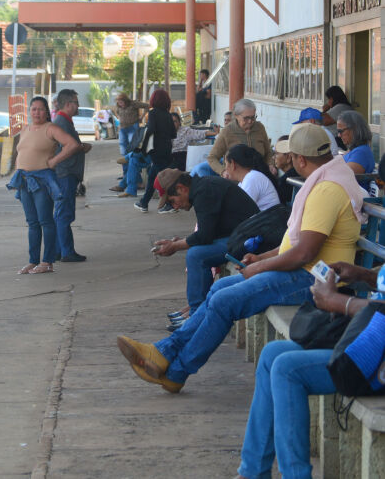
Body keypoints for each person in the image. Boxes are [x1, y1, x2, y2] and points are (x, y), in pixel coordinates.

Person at [116, 123, 367, 393]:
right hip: (307, 270)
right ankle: (165, 353)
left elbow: (305, 253)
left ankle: (176, 371)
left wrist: (260, 267)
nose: (288, 162)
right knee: (220, 288)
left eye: (291, 157)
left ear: (301, 160)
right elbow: (295, 245)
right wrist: (262, 257)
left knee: (225, 300)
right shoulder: (326, 179)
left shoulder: (326, 190)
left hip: (315, 279)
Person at [236, 262, 385, 479]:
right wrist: (364, 275)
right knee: (272, 354)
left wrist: (342, 303)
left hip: (375, 357)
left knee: (287, 369)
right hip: (370, 336)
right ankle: (253, 472)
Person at [151, 168, 259, 313]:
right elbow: (208, 232)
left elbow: (204, 236)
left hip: (249, 240)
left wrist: (176, 246)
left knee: (196, 255)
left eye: (172, 201)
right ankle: (197, 310)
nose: (175, 206)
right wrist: (181, 242)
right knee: (195, 251)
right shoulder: (203, 187)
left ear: (181, 188)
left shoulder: (204, 191)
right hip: (240, 237)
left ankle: (197, 313)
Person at [7, 96, 80, 274]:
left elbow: (72, 145)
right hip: (24, 181)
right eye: (33, 109)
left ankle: (47, 261)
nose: (37, 112)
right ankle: (33, 261)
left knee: (45, 221)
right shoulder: (25, 129)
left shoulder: (51, 128)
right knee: (32, 222)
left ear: (46, 112)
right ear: (29, 111)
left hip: (42, 181)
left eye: (40, 109)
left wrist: (54, 160)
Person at [53, 89, 92, 263]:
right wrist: (81, 147)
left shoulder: (65, 121)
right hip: (65, 173)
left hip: (67, 173)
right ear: (68, 104)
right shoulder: (62, 122)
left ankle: (60, 250)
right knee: (64, 214)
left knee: (63, 213)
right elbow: (69, 147)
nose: (78, 106)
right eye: (76, 102)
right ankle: (65, 251)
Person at [191, 99, 272, 177]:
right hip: (236, 181)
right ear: (236, 115)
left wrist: (270, 165)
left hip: (259, 177)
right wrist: (223, 171)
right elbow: (212, 157)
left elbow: (268, 152)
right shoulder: (227, 131)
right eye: (246, 118)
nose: (250, 121)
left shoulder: (259, 128)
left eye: (253, 117)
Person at [134, 90, 177, 213]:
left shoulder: (153, 114)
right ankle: (144, 203)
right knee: (153, 176)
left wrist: (144, 147)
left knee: (165, 179)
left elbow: (151, 130)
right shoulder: (168, 115)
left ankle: (170, 204)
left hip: (156, 150)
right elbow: (173, 134)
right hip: (167, 150)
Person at [223, 144, 282, 211]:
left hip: (269, 221)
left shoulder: (251, 178)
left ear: (233, 164)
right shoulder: (247, 179)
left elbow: (240, 211)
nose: (225, 168)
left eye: (226, 164)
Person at [337, 110, 375, 175]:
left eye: (341, 131)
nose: (339, 135)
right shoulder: (355, 149)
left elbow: (343, 175)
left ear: (354, 129)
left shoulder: (360, 152)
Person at [273, 135, 299, 205]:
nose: (273, 157)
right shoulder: (300, 173)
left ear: (288, 157)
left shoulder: (284, 182)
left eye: (276, 153)